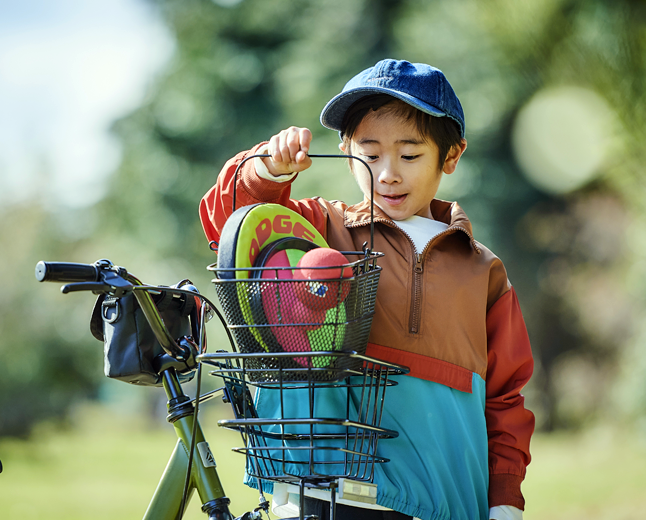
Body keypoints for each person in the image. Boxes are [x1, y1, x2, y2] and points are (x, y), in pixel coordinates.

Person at [200, 59, 535, 520]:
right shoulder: (322, 228)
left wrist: (504, 501)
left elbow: (504, 399)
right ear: (344, 148)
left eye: (410, 155)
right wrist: (267, 171)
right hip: (326, 490)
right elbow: (231, 226)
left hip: (448, 496)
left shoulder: (484, 270)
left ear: (452, 156)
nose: (387, 174)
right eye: (369, 154)